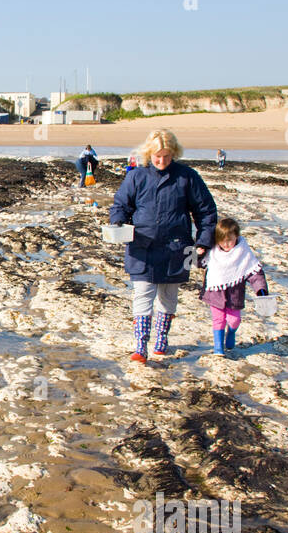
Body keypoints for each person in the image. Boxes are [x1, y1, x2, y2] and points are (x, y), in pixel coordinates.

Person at [107, 129, 218, 363]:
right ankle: (140, 348)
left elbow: (206, 211)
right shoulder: (136, 176)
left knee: (168, 298)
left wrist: (203, 242)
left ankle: (160, 342)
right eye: (158, 156)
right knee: (142, 296)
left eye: (167, 156)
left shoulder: (187, 176)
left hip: (177, 248)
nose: (162, 161)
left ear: (174, 153)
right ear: (149, 153)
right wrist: (117, 223)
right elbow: (120, 205)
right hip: (142, 246)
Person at [199, 217, 269, 357]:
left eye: (229, 240)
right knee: (218, 320)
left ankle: (231, 333)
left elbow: (255, 273)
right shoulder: (213, 252)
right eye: (222, 240)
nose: (226, 244)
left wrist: (261, 290)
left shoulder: (243, 253)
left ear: (236, 237)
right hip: (215, 292)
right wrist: (199, 252)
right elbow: (198, 263)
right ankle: (218, 348)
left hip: (235, 294)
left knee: (234, 320)